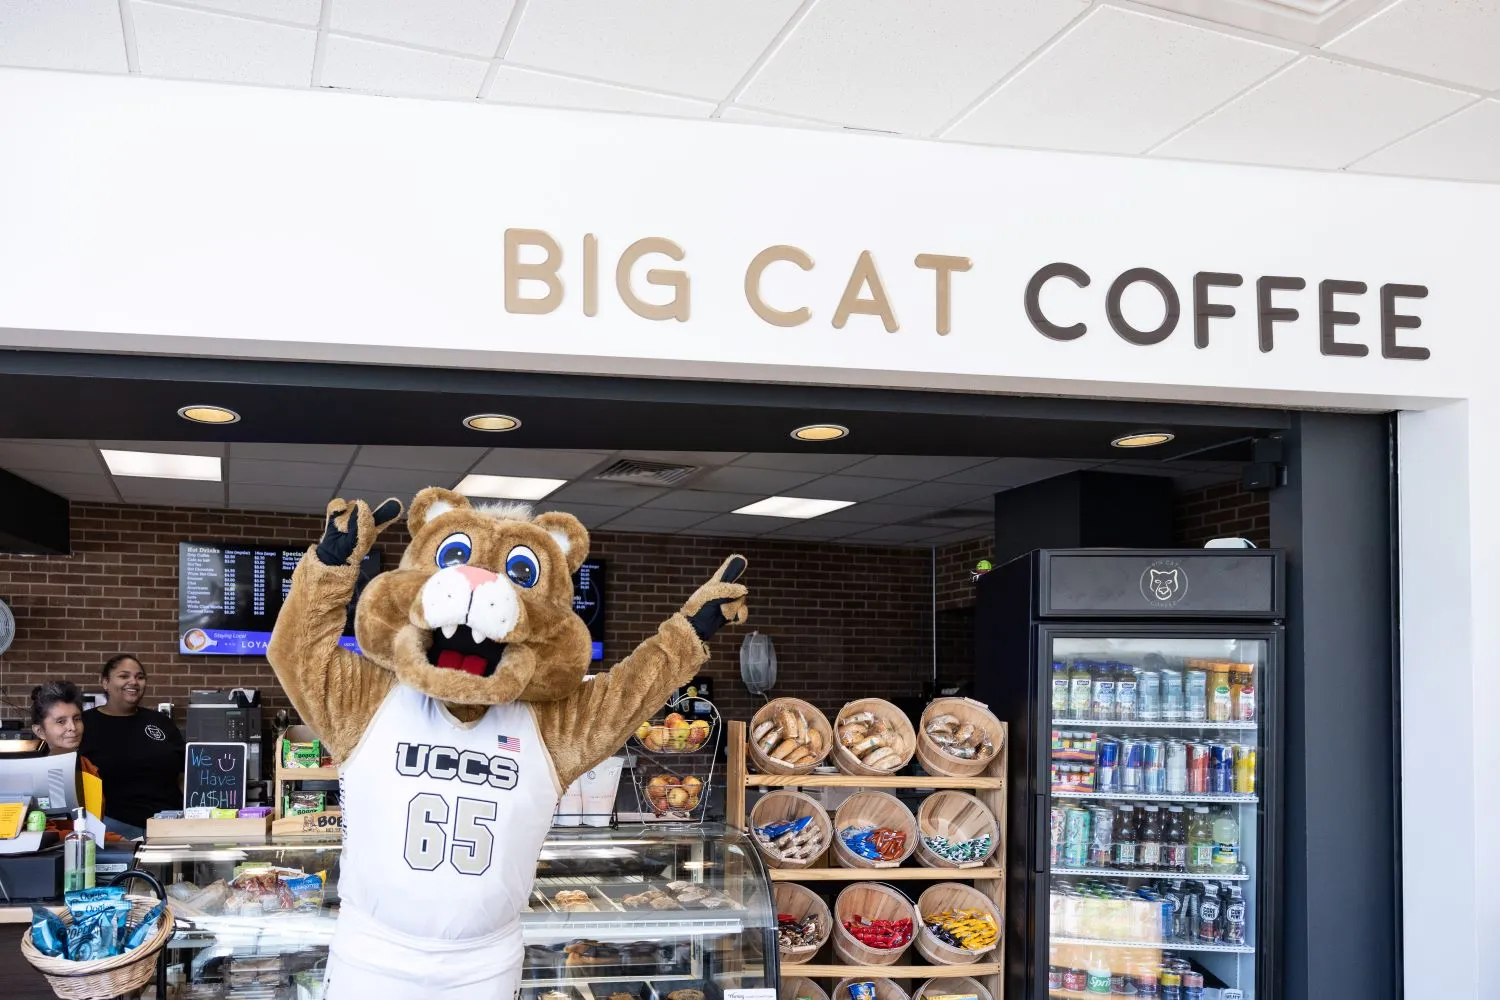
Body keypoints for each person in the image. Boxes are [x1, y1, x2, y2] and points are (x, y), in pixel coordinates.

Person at [79, 654, 184, 839]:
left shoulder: (160, 722)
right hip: (113, 828)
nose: (133, 682)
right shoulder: (85, 725)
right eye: (124, 676)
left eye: (140, 677)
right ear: (105, 682)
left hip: (168, 826)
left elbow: (184, 772)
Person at [29, 681, 125, 842]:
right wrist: (111, 839)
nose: (73, 727)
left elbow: (91, 823)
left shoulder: (87, 766)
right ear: (40, 731)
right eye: (61, 721)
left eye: (77, 718)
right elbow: (43, 834)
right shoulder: (33, 773)